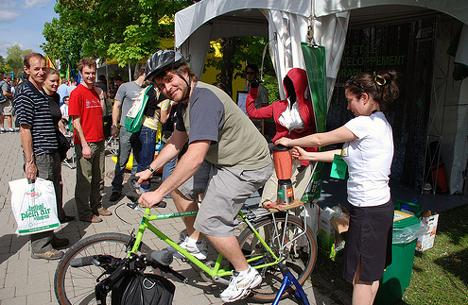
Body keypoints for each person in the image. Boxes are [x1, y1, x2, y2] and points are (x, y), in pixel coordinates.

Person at [136, 50, 273, 302]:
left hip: (246, 163)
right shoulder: (185, 103)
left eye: (169, 78)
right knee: (179, 186)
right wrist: (150, 169)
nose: (167, 87)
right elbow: (176, 142)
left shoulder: (204, 100)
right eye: (161, 84)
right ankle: (197, 242)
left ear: (185, 72)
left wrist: (158, 192)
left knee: (210, 220)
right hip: (220, 158)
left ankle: (245, 273)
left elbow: (195, 156)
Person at [276, 70, 399, 305]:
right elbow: (345, 155)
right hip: (379, 208)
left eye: (350, 100)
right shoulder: (380, 123)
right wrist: (310, 157)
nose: (348, 107)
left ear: (364, 98)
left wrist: (291, 141)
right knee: (371, 273)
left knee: (361, 278)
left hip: (368, 212)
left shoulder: (363, 124)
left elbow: (321, 139)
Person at [14, 53, 69, 260]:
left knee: (52, 196)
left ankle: (50, 236)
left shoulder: (39, 90)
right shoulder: (24, 92)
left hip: (51, 151)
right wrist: (30, 162)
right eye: (35, 68)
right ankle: (40, 246)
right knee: (41, 200)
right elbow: (25, 129)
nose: (41, 72)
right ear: (27, 70)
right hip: (40, 153)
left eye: (43, 68)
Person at [246, 68, 317, 208]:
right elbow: (252, 112)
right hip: (280, 158)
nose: (291, 87)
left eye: (294, 83)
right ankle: (264, 229)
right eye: (288, 83)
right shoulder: (278, 106)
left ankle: (291, 229)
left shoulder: (311, 107)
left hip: (301, 160)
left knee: (292, 205)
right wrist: (253, 91)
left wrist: (311, 155)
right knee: (268, 203)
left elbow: (318, 135)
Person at [69, 58, 112, 223]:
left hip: (99, 141)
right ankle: (84, 212)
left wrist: (101, 97)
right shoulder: (76, 93)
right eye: (87, 73)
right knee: (85, 180)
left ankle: (97, 206)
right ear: (81, 73)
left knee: (99, 177)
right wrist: (85, 145)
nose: (91, 76)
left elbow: (101, 114)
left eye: (93, 73)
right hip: (85, 143)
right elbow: (75, 122)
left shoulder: (96, 91)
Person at [109, 67, 146, 201]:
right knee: (122, 160)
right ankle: (116, 188)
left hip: (141, 129)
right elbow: (116, 106)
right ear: (143, 73)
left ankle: (133, 188)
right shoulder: (126, 86)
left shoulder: (148, 89)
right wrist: (114, 124)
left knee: (138, 160)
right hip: (126, 128)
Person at [42, 68, 74, 222]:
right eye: (52, 81)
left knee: (58, 182)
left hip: (56, 145)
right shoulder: (40, 98)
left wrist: (64, 133)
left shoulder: (55, 97)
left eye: (57, 81)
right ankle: (50, 220)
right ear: (44, 81)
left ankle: (59, 214)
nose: (55, 84)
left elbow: (57, 119)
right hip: (44, 147)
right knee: (47, 187)